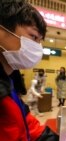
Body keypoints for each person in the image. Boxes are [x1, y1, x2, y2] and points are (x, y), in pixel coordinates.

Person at [0, 1, 58, 141]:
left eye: (39, 41)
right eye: (33, 37)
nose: (37, 47)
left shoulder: (11, 81)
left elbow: (29, 126)